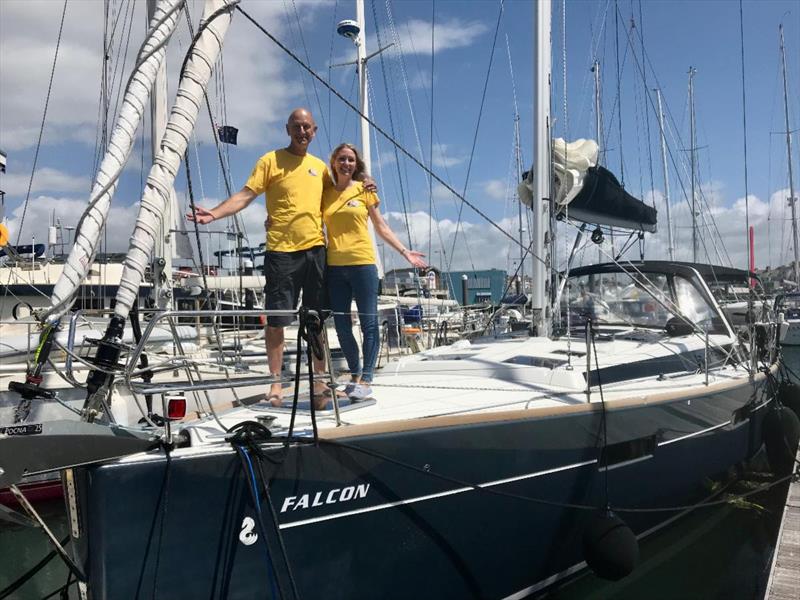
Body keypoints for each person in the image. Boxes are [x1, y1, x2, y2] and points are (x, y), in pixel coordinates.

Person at [187, 108, 330, 409]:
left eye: (307, 127)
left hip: (316, 250)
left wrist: (365, 187)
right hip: (281, 251)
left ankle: (320, 380)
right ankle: (275, 383)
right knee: (276, 321)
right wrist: (214, 212)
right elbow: (246, 194)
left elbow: (339, 198)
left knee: (316, 320)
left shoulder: (320, 167)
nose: (302, 132)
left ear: (314, 131)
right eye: (296, 126)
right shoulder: (270, 161)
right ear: (287, 128)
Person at [323, 143, 426, 400]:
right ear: (334, 162)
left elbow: (381, 227)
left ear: (356, 165)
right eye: (342, 159)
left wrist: (405, 252)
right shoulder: (324, 193)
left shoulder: (364, 190)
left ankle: (366, 377)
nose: (346, 163)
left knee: (369, 324)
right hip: (335, 267)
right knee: (342, 326)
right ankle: (355, 372)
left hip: (363, 265)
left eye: (351, 160)